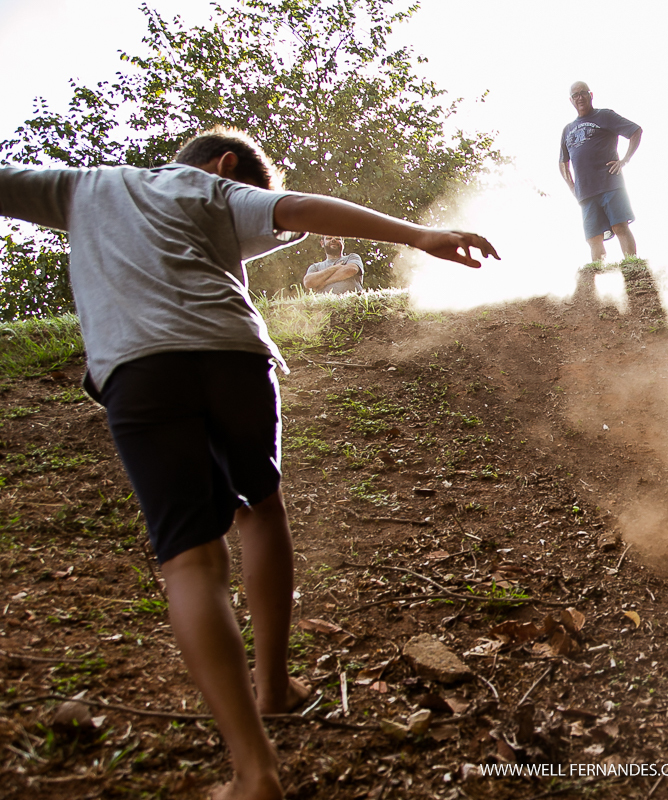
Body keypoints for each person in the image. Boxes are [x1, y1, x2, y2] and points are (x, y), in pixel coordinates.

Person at [0, 127, 498, 800]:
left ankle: (253, 768)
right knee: (262, 512)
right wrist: (419, 236)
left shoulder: (79, 186)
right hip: (234, 356)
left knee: (191, 562)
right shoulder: (213, 187)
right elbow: (300, 207)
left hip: (141, 370)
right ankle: (274, 686)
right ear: (225, 166)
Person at [558, 80, 642, 263]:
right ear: (571, 100)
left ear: (591, 95)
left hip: (610, 183)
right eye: (575, 95)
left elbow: (635, 131)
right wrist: (573, 187)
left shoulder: (605, 116)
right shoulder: (567, 130)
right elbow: (563, 162)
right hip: (586, 193)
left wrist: (625, 159)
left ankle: (633, 266)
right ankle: (596, 276)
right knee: (593, 238)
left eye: (583, 93)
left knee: (620, 226)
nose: (580, 97)